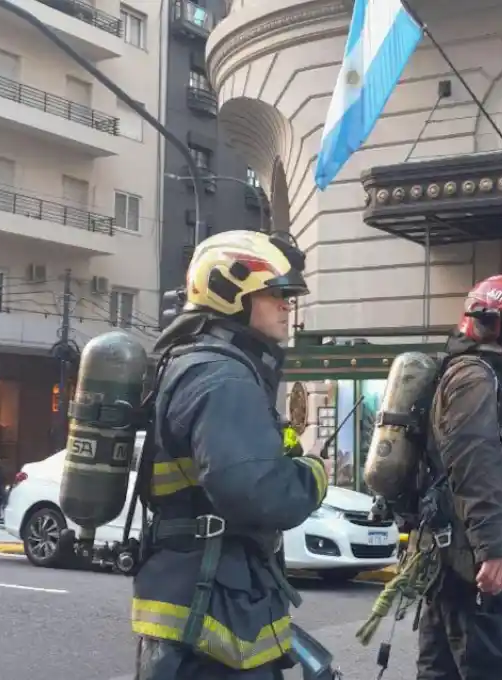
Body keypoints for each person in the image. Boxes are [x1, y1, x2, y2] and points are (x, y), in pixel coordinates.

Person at [132, 230, 330, 680]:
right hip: (213, 608)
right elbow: (258, 493)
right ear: (229, 293)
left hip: (203, 592)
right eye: (275, 293)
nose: (287, 305)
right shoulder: (222, 376)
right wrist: (313, 472)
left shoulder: (202, 363)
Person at [415, 274, 502, 680]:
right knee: (499, 666)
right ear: (491, 321)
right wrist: (493, 548)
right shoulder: (476, 378)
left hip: (449, 552)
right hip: (468, 555)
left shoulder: (476, 373)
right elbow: (476, 464)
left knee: (441, 669)